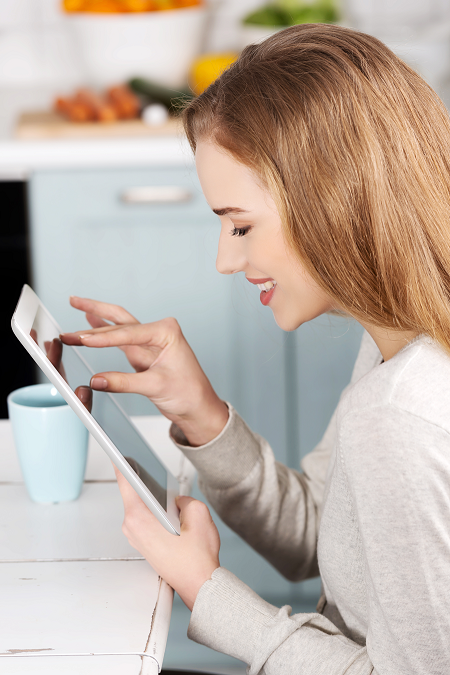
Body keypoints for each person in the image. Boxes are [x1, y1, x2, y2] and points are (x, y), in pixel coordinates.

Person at [61, 24, 450, 675]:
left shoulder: (400, 414)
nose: (225, 258)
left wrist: (206, 590)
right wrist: (202, 412)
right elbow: (322, 540)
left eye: (240, 224)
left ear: (332, 196)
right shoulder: (400, 340)